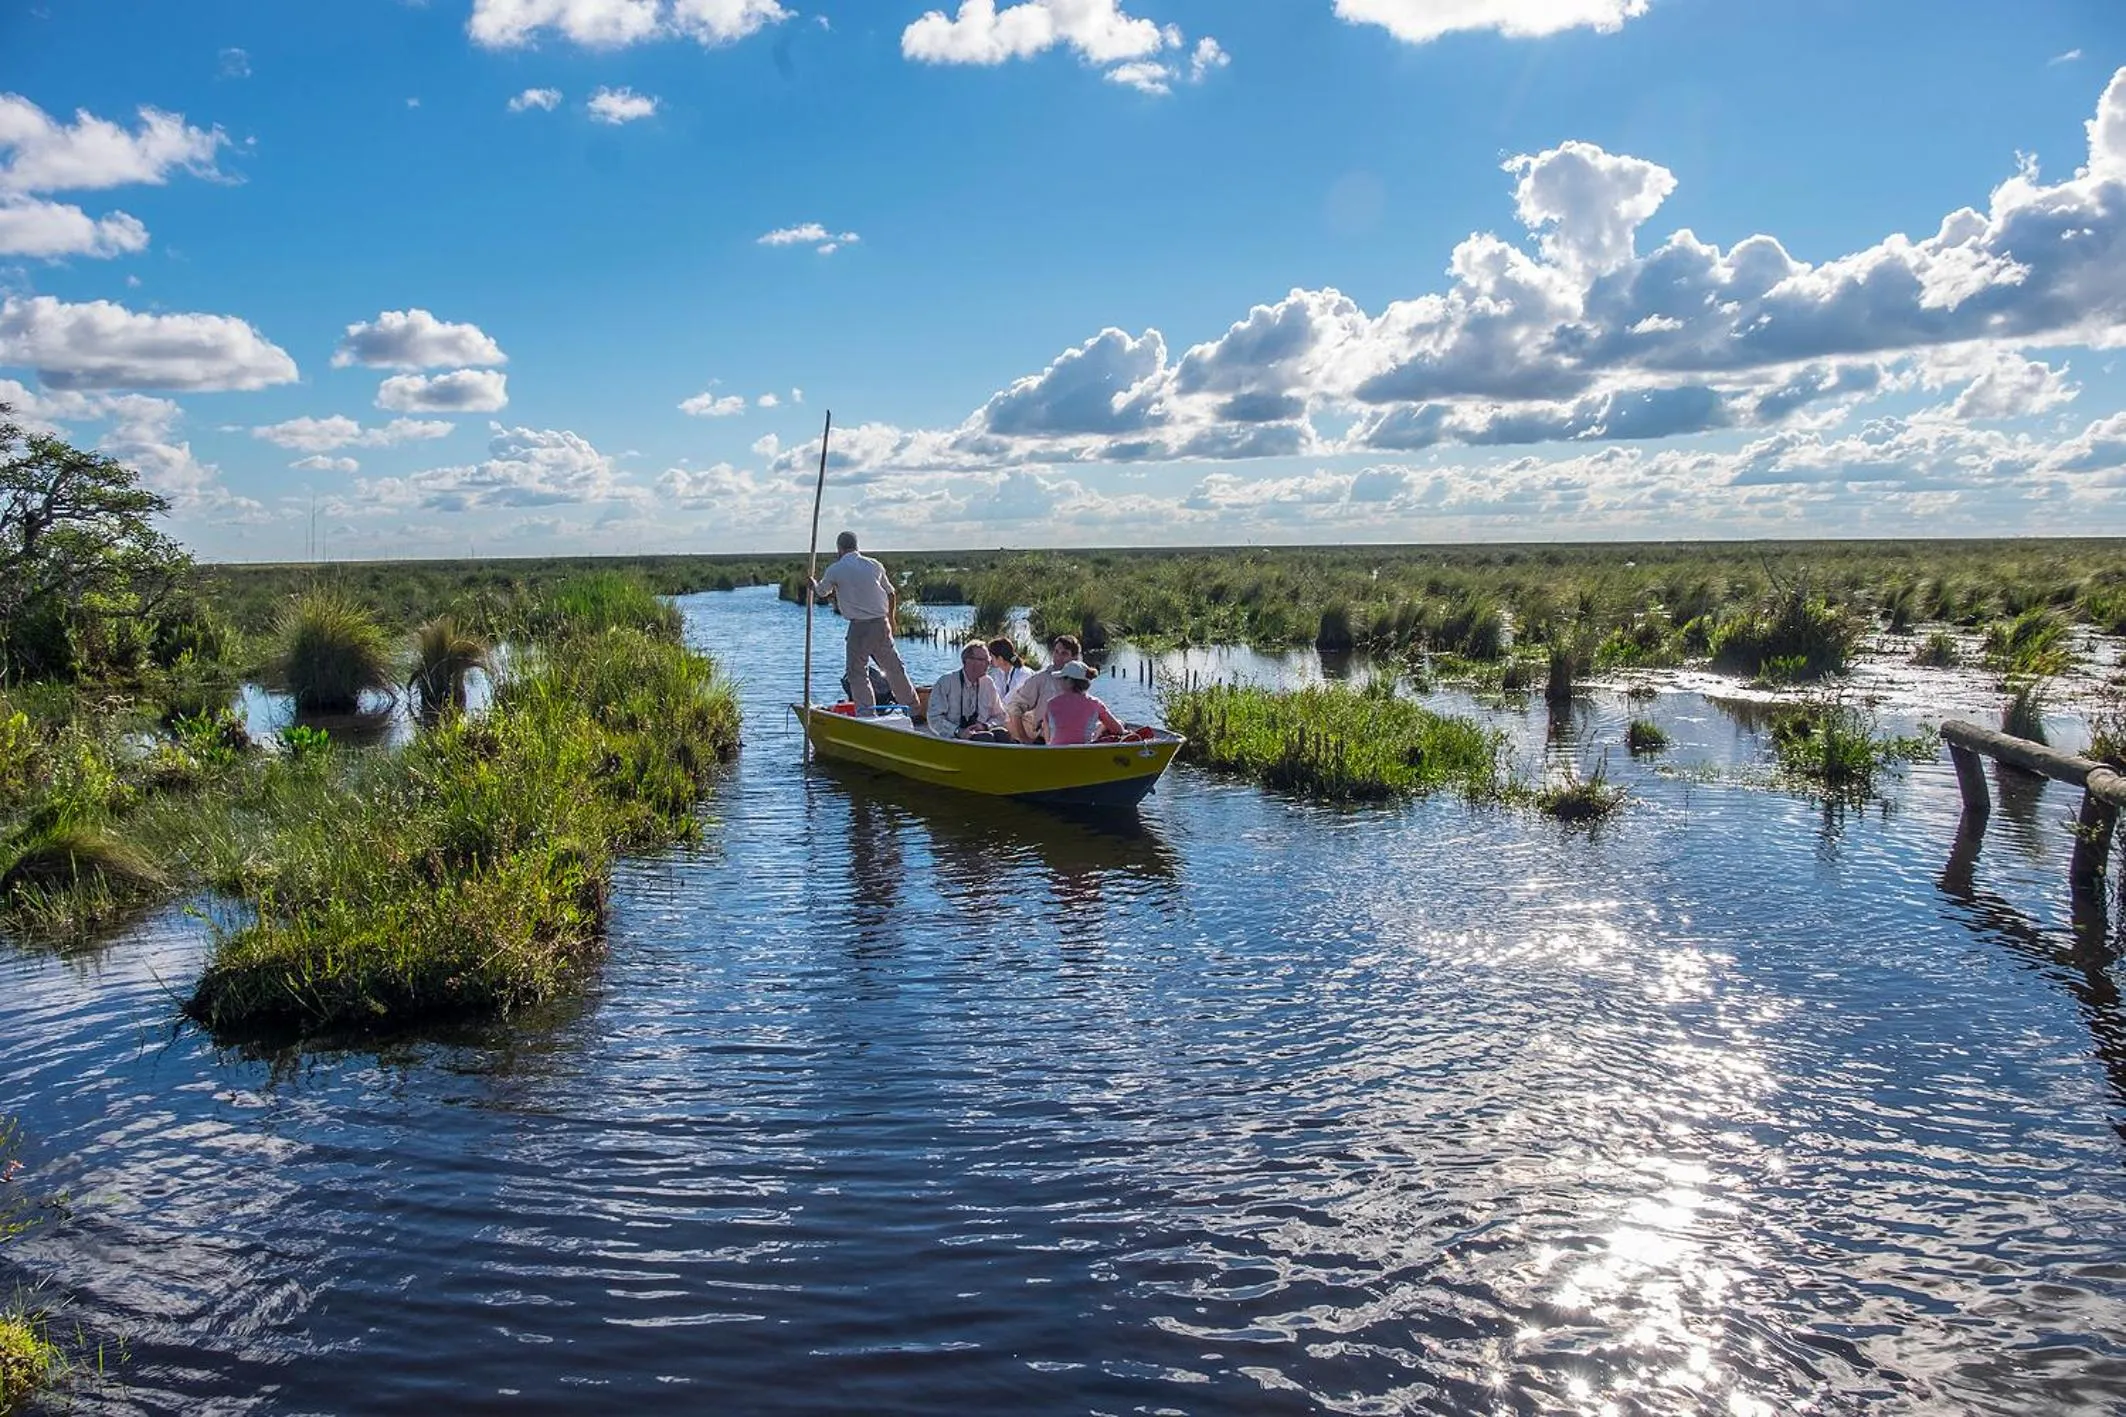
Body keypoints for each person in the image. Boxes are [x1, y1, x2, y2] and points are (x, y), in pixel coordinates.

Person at [808, 531, 916, 715]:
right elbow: (891, 593)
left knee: (857, 672)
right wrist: (891, 618)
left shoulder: (835, 569)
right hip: (881, 624)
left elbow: (822, 592)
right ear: (857, 546)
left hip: (859, 627)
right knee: (893, 668)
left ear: (839, 548)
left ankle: (867, 714)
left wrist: (813, 584)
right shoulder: (874, 564)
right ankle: (913, 709)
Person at [1004, 632, 1083, 743]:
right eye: (1056, 652)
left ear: (1074, 658)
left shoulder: (1080, 680)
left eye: (1064, 653)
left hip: (1074, 739)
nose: (1058, 657)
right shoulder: (1041, 679)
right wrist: (1025, 739)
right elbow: (1014, 707)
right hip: (1045, 740)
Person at [927, 641, 1010, 740]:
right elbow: (934, 718)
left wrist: (985, 726)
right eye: (983, 660)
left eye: (989, 660)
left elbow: (1001, 716)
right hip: (954, 739)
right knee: (987, 738)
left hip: (981, 734)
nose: (988, 664)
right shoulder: (946, 682)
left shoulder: (988, 683)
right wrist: (958, 731)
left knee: (1003, 734)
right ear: (967, 661)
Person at [1043, 660, 1124, 745]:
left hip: (1055, 752)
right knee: (1110, 725)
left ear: (1069, 682)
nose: (1059, 681)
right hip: (1085, 751)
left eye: (1062, 678)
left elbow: (1047, 738)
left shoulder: (1050, 704)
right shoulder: (1095, 703)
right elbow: (1119, 730)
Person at [987, 637, 1031, 704]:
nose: (989, 659)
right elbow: (997, 698)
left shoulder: (1023, 676)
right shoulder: (1000, 672)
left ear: (1000, 659)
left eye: (991, 656)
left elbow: (1007, 703)